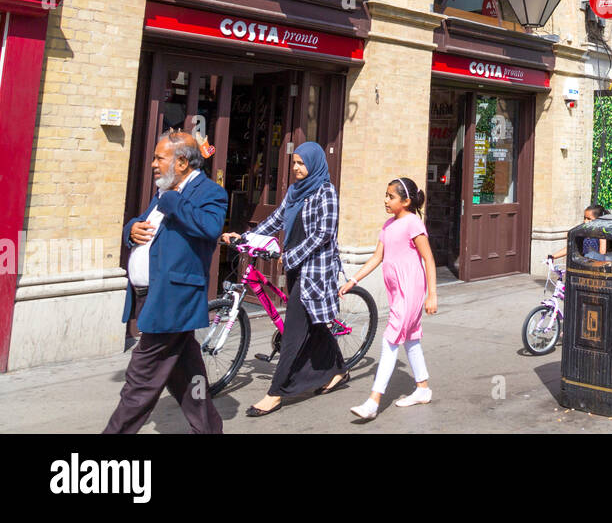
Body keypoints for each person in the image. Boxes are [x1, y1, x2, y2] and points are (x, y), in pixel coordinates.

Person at [104, 131, 227, 434]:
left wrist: (172, 198)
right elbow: (146, 223)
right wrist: (131, 229)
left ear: (182, 162)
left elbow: (210, 228)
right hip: (153, 295)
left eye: (159, 158)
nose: (152, 165)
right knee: (187, 375)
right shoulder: (164, 190)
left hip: (174, 299)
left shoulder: (208, 192)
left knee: (140, 380)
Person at [222, 141, 346, 416]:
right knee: (313, 322)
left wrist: (291, 256)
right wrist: (246, 237)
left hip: (314, 268)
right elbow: (276, 220)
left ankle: (276, 392)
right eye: (295, 162)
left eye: (302, 163)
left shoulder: (326, 192)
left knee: (293, 329)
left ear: (314, 163)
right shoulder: (295, 191)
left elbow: (323, 234)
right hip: (295, 266)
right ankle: (337, 370)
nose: (296, 168)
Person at [342, 177, 438, 420]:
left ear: (405, 201)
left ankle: (373, 402)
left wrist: (432, 295)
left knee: (390, 340)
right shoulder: (387, 225)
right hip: (396, 292)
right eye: (385, 195)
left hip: (412, 290)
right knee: (410, 340)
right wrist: (353, 281)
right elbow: (377, 258)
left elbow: (428, 259)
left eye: (390, 197)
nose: (385, 200)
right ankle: (423, 389)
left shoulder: (413, 223)